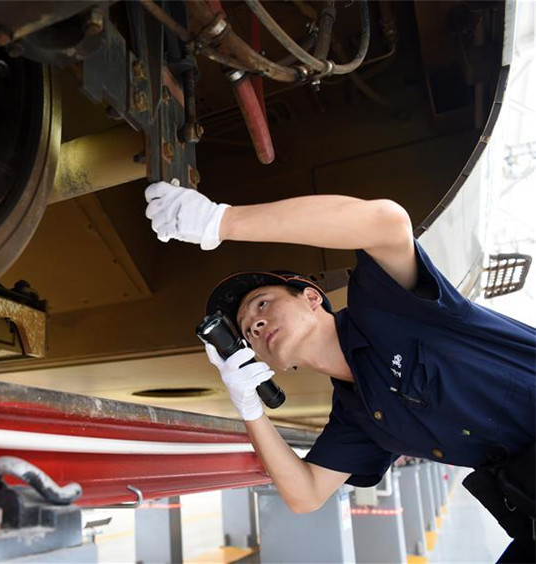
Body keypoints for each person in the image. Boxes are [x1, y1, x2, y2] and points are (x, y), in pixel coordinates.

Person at [144, 181, 536, 562]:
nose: (256, 326)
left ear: (312, 298)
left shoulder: (386, 307)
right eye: (249, 332)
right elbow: (306, 495)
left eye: (262, 305)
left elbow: (387, 222)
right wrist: (249, 408)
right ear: (280, 365)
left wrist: (222, 221)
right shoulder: (358, 416)